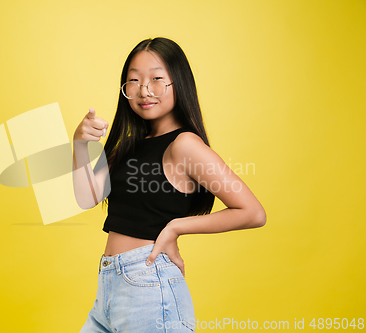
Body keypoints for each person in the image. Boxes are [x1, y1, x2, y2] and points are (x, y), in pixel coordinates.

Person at [72, 37, 266, 333]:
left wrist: (176, 227)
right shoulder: (127, 146)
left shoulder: (184, 145)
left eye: (157, 79)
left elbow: (253, 212)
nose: (144, 90)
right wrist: (81, 144)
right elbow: (87, 198)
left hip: (148, 285)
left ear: (179, 83)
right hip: (109, 290)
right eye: (133, 81)